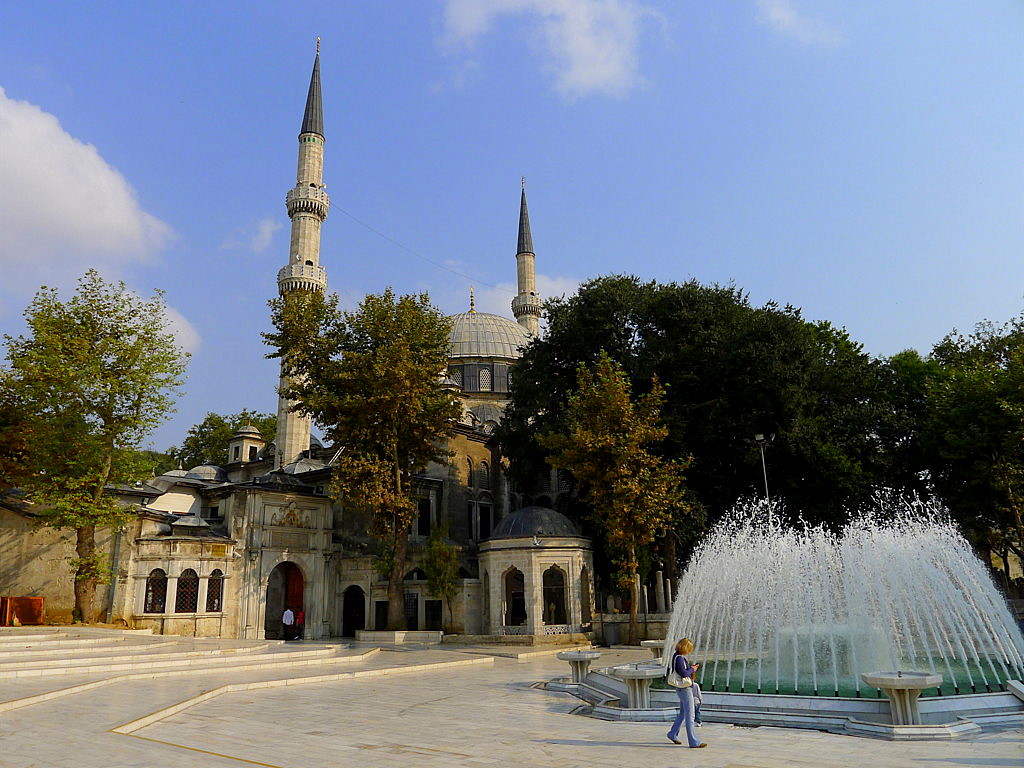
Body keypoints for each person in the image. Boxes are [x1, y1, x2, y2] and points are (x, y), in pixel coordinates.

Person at [666, 637, 706, 748]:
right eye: (689, 648)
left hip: (681, 688)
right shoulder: (679, 658)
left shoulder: (677, 656)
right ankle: (694, 741)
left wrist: (691, 669)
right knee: (690, 715)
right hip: (685, 689)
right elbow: (684, 673)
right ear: (685, 647)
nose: (690, 651)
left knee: (683, 714)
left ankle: (672, 734)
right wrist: (692, 669)